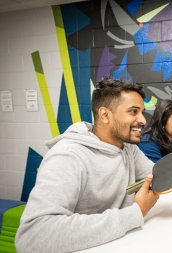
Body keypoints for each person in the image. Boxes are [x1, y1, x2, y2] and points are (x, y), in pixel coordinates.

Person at [15, 77, 160, 253]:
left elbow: (160, 174)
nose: (143, 120)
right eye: (133, 112)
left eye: (142, 112)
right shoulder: (68, 156)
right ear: (105, 115)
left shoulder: (127, 148)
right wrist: (135, 212)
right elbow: (33, 237)